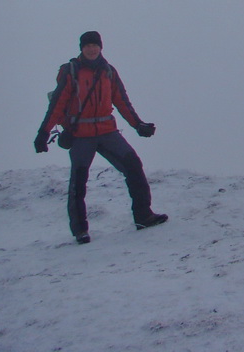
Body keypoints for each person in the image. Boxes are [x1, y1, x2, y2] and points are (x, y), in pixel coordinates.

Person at [34, 31, 167, 244]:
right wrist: (43, 133)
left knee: (133, 165)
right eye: (87, 46)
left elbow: (122, 101)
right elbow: (57, 105)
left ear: (101, 47)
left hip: (107, 132)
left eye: (95, 45)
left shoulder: (108, 72)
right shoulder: (71, 72)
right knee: (79, 182)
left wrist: (138, 125)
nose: (92, 49)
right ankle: (80, 231)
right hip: (80, 136)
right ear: (81, 48)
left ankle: (144, 216)